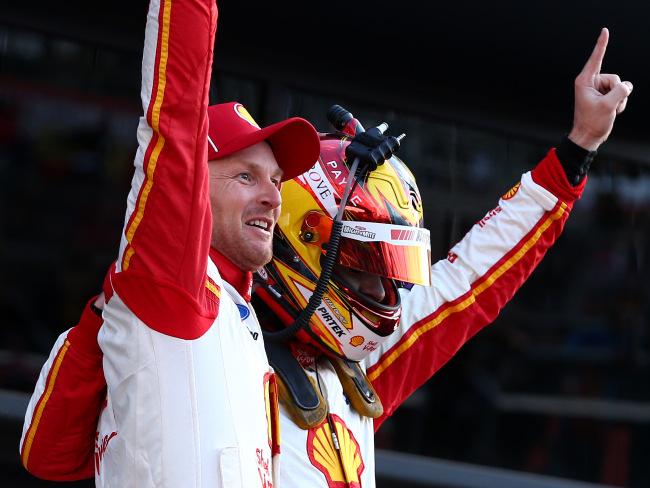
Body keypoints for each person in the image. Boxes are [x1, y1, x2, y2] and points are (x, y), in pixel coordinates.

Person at [21, 20, 632, 488]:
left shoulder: (352, 370)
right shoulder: (176, 320)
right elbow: (47, 454)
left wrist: (577, 150)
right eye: (367, 265)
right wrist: (119, 305)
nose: (385, 293)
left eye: (273, 180)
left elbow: (471, 284)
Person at [20, 0, 320, 487]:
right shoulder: (176, 284)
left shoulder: (236, 315)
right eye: (246, 176)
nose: (272, 198)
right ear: (190, 192)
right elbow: (175, 115)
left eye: (277, 181)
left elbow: (46, 458)